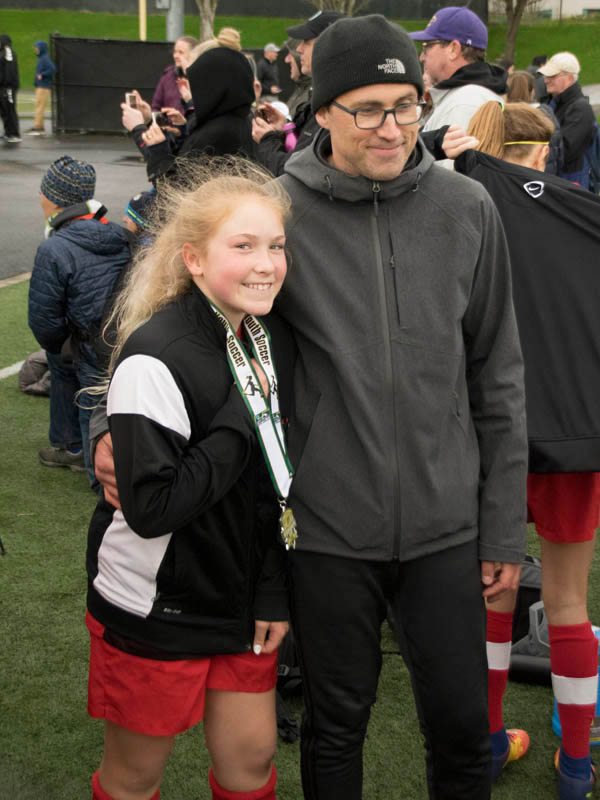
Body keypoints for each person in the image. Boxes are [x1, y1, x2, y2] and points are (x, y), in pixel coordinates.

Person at [96, 14, 528, 799]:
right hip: (325, 530)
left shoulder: (468, 208)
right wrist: (111, 425)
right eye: (368, 109)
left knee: (464, 729)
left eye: (406, 105)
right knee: (336, 727)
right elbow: (183, 312)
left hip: (448, 526)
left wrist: (501, 522)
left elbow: (498, 373)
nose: (392, 127)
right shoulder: (278, 211)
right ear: (323, 110)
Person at [86, 160, 292, 800]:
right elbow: (153, 509)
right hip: (158, 607)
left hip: (242, 605)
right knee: (134, 776)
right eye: (244, 246)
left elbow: (273, 490)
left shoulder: (262, 338)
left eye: (277, 246)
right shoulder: (157, 354)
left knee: (251, 763)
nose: (267, 264)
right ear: (194, 260)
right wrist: (242, 416)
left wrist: (272, 592)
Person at [453, 100, 600, 800]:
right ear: (541, 155)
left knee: (494, 593)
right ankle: (575, 768)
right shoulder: (579, 213)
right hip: (574, 431)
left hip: (488, 431)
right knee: (568, 603)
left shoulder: (461, 207)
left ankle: (486, 744)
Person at [28, 155, 131, 490]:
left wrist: (63, 344)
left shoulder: (54, 248)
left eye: (44, 191)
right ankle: (71, 446)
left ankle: (96, 476)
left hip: (88, 344)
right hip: (122, 336)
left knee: (87, 398)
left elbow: (44, 321)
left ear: (53, 198)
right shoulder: (118, 234)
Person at [123, 45, 255, 184]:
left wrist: (139, 129)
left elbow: (176, 188)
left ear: (213, 87)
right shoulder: (240, 119)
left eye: (198, 83)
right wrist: (151, 121)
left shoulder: (217, 133)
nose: (195, 89)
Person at [252, 10, 344, 177]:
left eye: (306, 42)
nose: (299, 49)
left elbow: (293, 174)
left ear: (328, 47)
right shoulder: (324, 96)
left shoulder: (335, 106)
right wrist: (285, 129)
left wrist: (267, 139)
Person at [409, 6, 505, 133]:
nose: (421, 57)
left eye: (426, 47)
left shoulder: (463, 104)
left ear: (453, 49)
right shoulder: (466, 97)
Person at [538, 51, 596, 189]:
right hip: (557, 178)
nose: (546, 80)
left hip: (571, 182)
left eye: (552, 76)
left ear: (570, 78)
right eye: (546, 76)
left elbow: (565, 151)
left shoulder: (580, 108)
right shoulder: (552, 102)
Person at [506, 70, 562, 174]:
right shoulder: (545, 113)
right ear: (532, 91)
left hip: (510, 175)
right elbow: (557, 146)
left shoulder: (502, 115)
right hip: (544, 174)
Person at [151, 35, 198, 115]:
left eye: (181, 52)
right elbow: (155, 107)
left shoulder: (200, 77)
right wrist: (163, 116)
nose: (175, 56)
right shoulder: (168, 75)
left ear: (193, 54)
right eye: (175, 52)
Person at [27, 39, 55, 135]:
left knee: (39, 107)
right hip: (41, 86)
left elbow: (52, 68)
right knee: (39, 106)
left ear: (42, 48)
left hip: (44, 87)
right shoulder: (42, 58)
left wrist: (42, 75)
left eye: (37, 48)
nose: (36, 49)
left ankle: (38, 128)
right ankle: (40, 127)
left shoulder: (44, 58)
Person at [0, 34, 20, 142]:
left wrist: (7, 84)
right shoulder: (2, 52)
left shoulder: (8, 52)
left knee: (10, 110)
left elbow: (9, 70)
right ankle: (8, 133)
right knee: (4, 111)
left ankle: (14, 134)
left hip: (8, 87)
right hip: (2, 87)